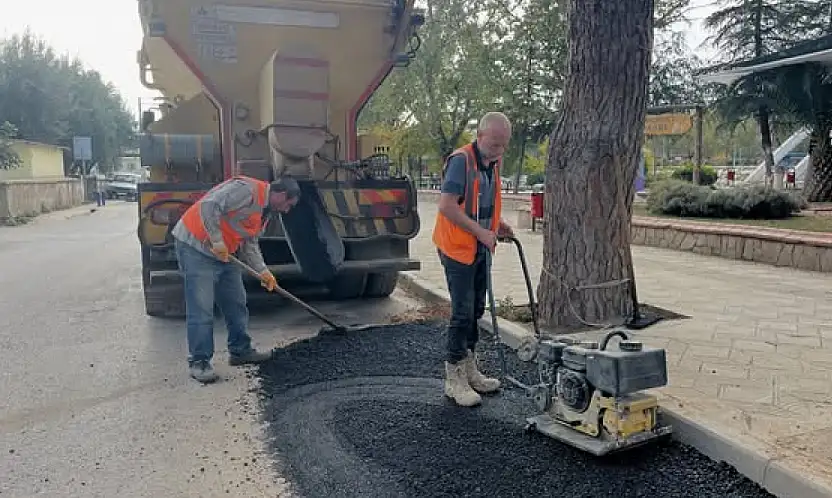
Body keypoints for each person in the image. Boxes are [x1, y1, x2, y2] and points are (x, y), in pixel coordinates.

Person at [171, 174, 301, 383]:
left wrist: (263, 272)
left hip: (226, 253)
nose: (287, 210)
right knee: (202, 308)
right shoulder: (247, 190)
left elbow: (249, 243)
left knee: (236, 302)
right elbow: (208, 205)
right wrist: (216, 239)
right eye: (288, 204)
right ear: (281, 194)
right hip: (196, 246)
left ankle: (240, 351)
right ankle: (200, 362)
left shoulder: (264, 212)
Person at [433, 112, 515, 407]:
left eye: (503, 145)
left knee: (477, 309)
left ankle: (469, 367)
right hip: (457, 248)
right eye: (494, 144)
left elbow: (481, 202)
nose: (498, 151)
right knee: (462, 311)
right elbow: (447, 207)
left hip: (479, 247)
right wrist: (481, 232)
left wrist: (497, 224)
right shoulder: (461, 161)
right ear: (479, 136)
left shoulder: (491, 163)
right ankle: (453, 377)